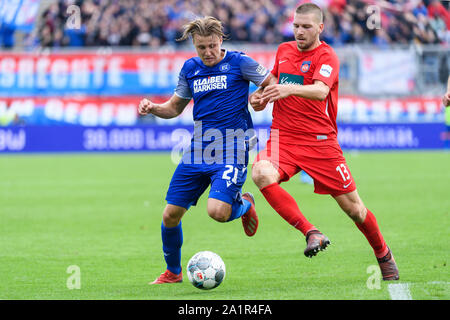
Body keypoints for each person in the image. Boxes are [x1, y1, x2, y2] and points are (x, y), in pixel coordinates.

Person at [249, 3, 399, 281]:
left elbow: (320, 91)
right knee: (260, 172)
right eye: (296, 26)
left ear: (320, 27)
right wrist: (258, 97)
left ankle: (383, 254)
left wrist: (286, 88)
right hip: (283, 137)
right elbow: (272, 84)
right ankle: (311, 232)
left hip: (320, 142)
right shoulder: (283, 50)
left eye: (306, 26)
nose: (299, 31)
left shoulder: (327, 55)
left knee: (354, 209)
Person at [138, 16, 274, 284]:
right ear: (194, 45)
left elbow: (272, 82)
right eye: (202, 47)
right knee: (170, 215)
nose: (208, 52)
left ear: (220, 40)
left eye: (212, 45)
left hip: (233, 147)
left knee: (217, 212)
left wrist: (259, 97)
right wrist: (154, 107)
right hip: (198, 150)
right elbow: (175, 107)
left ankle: (245, 205)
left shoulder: (239, 62)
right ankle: (173, 273)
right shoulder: (190, 68)